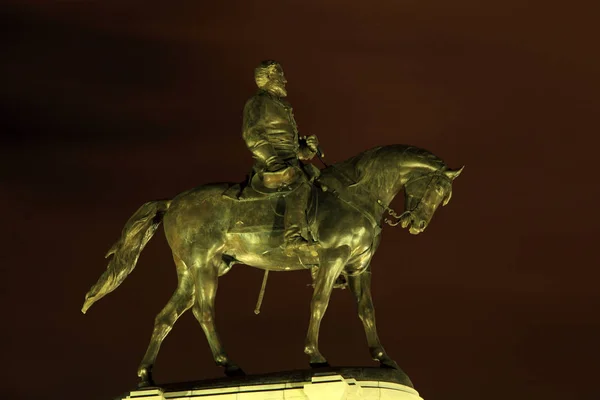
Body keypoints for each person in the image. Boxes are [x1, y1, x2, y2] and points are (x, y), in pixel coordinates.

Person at [242, 60, 320, 255]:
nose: (284, 80)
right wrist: (272, 161)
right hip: (270, 164)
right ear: (267, 78)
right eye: (279, 76)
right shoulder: (258, 102)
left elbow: (293, 149)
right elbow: (252, 135)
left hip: (289, 162)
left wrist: (307, 148)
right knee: (300, 185)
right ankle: (292, 237)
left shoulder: (282, 105)